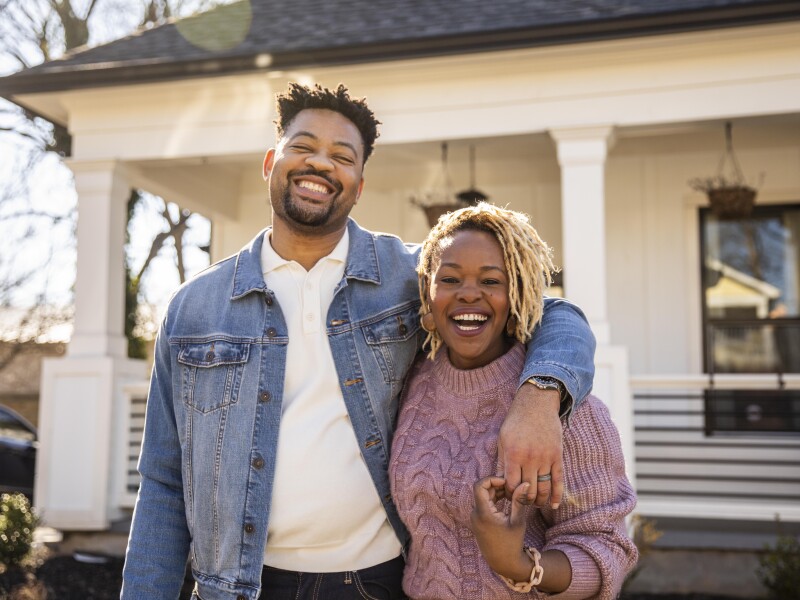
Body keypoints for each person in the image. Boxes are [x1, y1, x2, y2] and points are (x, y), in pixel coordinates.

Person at [120, 83, 597, 600]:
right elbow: (165, 485)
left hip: (375, 581)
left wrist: (540, 397)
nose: (320, 164)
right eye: (302, 147)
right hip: (236, 588)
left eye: (341, 156)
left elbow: (553, 313)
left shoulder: (409, 275)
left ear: (359, 184)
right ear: (270, 163)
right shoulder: (194, 308)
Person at [389, 203, 637, 599]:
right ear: (428, 295)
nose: (469, 293)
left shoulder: (561, 405)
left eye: (491, 281)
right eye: (450, 279)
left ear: (517, 294)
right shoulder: (411, 378)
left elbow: (607, 548)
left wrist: (517, 564)